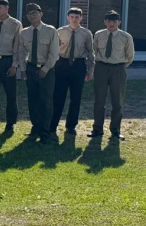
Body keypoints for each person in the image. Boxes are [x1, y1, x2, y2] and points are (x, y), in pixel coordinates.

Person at [90, 10, 135, 141]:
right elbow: (95, 50)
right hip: (101, 68)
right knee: (99, 100)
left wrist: (119, 67)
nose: (111, 24)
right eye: (109, 21)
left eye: (114, 21)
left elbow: (130, 56)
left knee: (118, 102)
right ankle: (97, 129)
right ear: (105, 22)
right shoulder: (98, 35)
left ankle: (115, 130)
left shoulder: (126, 37)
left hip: (118, 69)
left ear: (119, 22)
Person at [18, 3, 59, 144]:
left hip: (46, 69)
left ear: (41, 14)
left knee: (46, 101)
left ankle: (45, 131)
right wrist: (23, 69)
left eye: (35, 13)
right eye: (29, 14)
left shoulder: (50, 30)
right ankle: (35, 127)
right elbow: (22, 52)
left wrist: (45, 69)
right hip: (30, 68)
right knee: (32, 100)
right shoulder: (24, 32)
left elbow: (54, 53)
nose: (32, 16)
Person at [50, 8, 94, 136]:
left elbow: (91, 52)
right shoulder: (60, 31)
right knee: (58, 96)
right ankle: (53, 125)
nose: (74, 19)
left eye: (77, 17)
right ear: (68, 18)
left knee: (76, 97)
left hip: (78, 65)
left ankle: (71, 126)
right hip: (62, 64)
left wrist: (90, 69)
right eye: (72, 17)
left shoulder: (86, 33)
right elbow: (53, 49)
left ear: (81, 18)